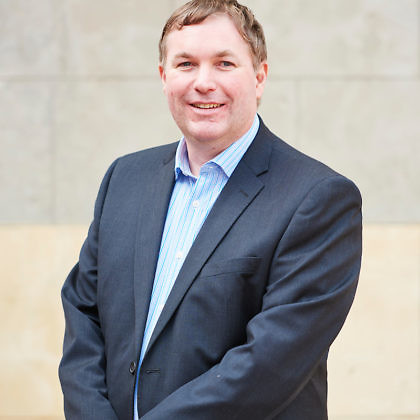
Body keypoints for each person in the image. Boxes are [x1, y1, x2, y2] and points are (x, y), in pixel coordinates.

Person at [59, 0, 362, 419]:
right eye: (186, 64)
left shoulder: (318, 199)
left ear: (259, 77)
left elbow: (269, 365)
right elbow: (84, 316)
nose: (204, 82)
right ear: (164, 78)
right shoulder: (124, 179)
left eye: (224, 63)